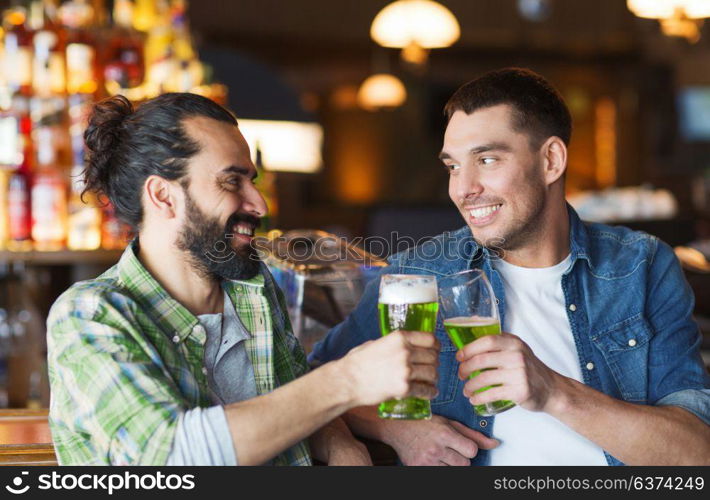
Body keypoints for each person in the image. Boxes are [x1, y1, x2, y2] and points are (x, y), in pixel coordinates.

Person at [309, 68, 710, 466]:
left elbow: (696, 454)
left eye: (486, 159)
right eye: (453, 166)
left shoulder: (642, 266)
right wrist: (395, 429)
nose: (463, 189)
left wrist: (553, 392)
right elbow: (311, 385)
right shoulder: (419, 273)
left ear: (551, 160)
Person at [46, 93, 440, 466]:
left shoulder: (252, 288)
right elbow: (171, 457)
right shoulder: (91, 316)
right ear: (163, 196)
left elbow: (293, 405)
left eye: (251, 180)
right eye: (232, 181)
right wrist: (346, 379)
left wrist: (343, 448)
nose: (260, 204)